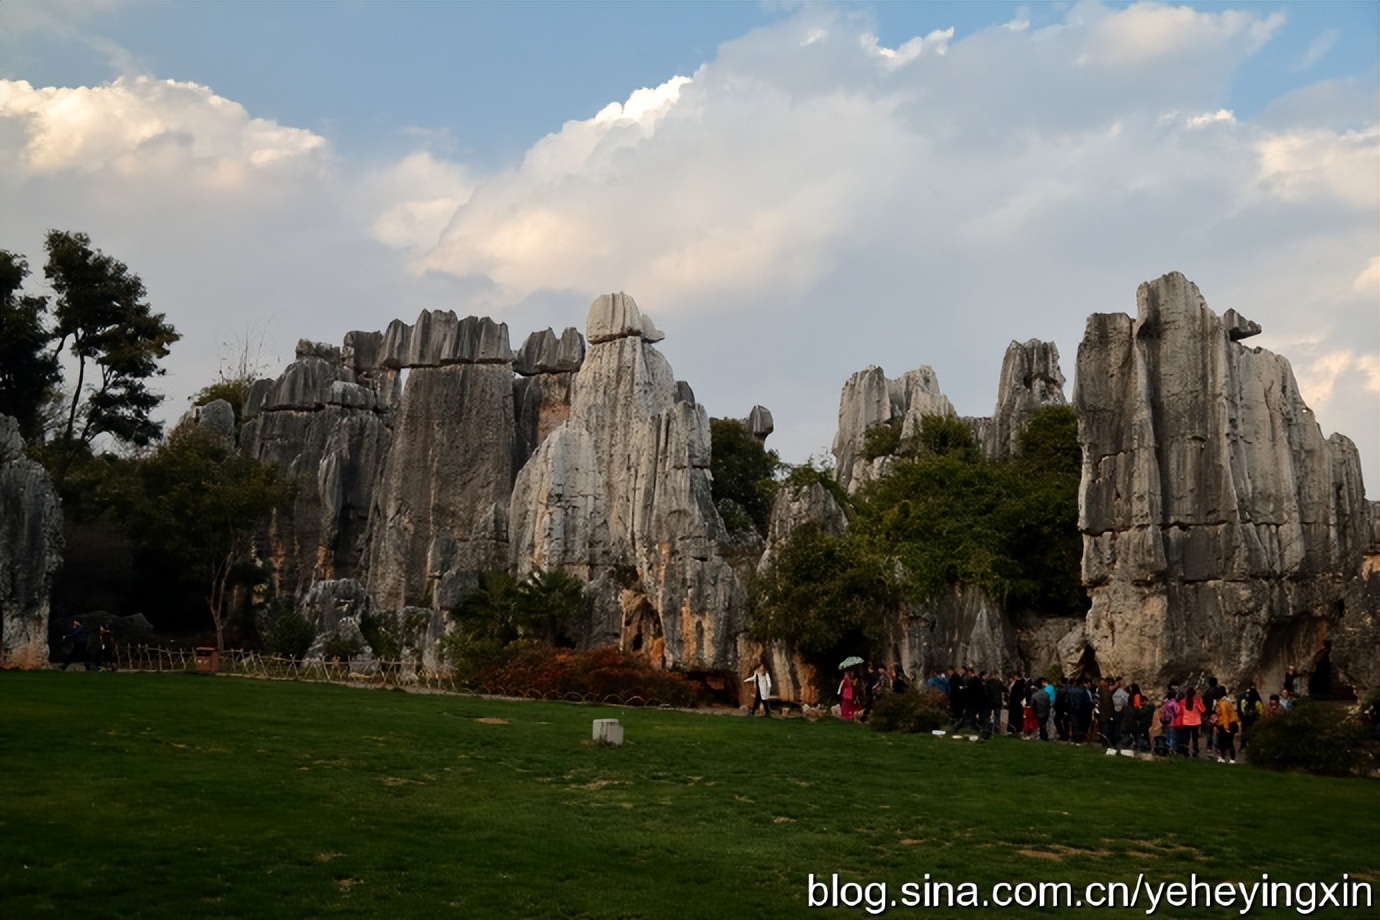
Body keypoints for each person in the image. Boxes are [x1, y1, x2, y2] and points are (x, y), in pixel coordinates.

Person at [1178, 687, 1206, 757]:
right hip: (1195, 722)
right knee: (1195, 737)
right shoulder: (1196, 701)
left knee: (1186, 737)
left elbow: (1179, 711)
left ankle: (1185, 749)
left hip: (1186, 721)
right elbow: (1203, 710)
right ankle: (1195, 749)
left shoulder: (1182, 702)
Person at [1213, 693, 1240, 763]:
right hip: (1232, 723)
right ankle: (1232, 758)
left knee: (1223, 741)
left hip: (1226, 724)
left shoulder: (1222, 704)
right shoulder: (1227, 702)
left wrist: (1226, 728)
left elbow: (1225, 716)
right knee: (1229, 741)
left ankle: (1223, 757)